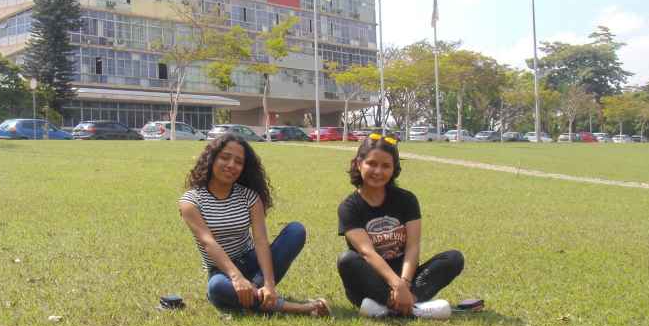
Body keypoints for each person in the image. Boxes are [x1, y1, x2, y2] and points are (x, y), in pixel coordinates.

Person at [179, 133, 329, 316]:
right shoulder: (191, 201)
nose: (231, 165)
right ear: (212, 159)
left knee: (296, 231)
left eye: (238, 162)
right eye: (225, 157)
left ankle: (255, 293)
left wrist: (269, 284)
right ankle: (301, 308)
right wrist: (236, 277)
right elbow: (208, 242)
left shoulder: (249, 197)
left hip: (252, 263)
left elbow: (260, 240)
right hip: (222, 271)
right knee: (217, 288)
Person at [336, 133, 464, 316]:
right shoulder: (349, 207)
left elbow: (413, 247)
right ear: (358, 163)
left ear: (394, 168)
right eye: (371, 163)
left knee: (453, 258)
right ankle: (412, 308)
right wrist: (396, 285)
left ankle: (395, 307)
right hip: (370, 283)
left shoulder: (407, 200)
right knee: (347, 260)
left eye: (386, 166)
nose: (378, 171)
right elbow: (367, 253)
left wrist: (404, 283)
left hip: (407, 280)